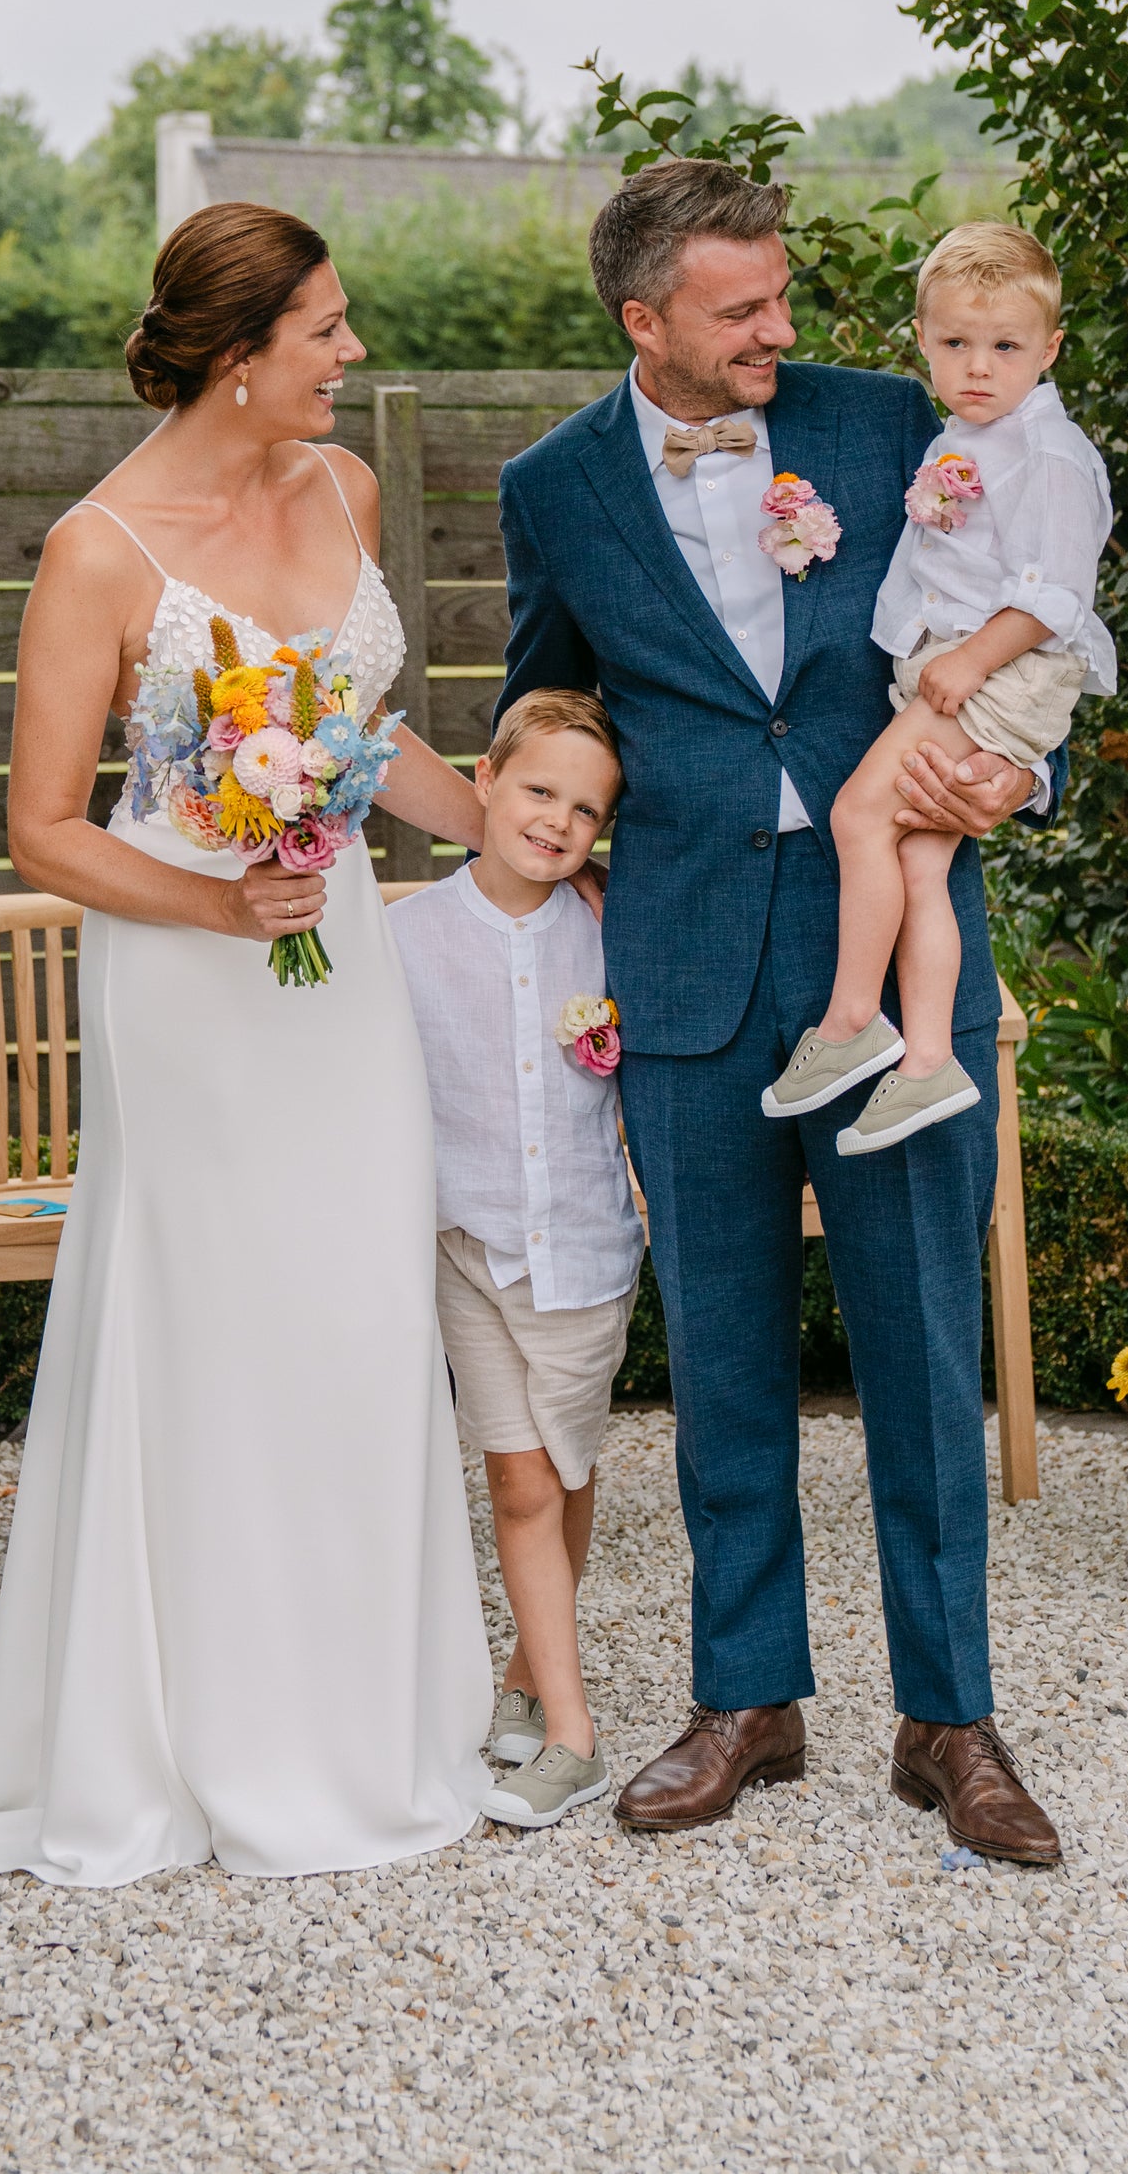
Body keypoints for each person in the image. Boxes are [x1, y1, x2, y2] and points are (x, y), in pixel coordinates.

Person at [0, 202, 493, 1883]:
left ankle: (360, 1719)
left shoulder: (344, 489)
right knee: (212, 1318)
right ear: (235, 355)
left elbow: (368, 730)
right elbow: (45, 831)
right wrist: (218, 910)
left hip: (334, 963)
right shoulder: (102, 551)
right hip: (189, 971)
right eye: (327, 331)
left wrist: (501, 824)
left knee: (355, 1305)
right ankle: (184, 1730)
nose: (353, 355)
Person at [496, 155, 1065, 1864]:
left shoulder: (902, 421)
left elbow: (1037, 597)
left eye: (785, 296)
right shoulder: (553, 484)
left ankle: (949, 1721)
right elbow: (547, 692)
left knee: (918, 1338)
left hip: (892, 955)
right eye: (741, 308)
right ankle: (748, 1697)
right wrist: (560, 847)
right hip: (677, 960)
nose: (778, 329)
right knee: (725, 1355)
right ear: (643, 317)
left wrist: (1013, 782)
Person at [766, 219, 1114, 1158]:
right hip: (965, 666)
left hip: (993, 672)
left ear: (1050, 350)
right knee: (919, 860)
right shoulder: (973, 434)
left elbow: (1055, 596)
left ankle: (849, 1021)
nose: (978, 367)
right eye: (956, 343)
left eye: (1006, 347)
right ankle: (926, 1060)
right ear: (921, 337)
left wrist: (970, 659)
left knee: (856, 819)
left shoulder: (1046, 454)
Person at [390, 688, 644, 1832]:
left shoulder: (607, 931)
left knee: (567, 1473)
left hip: (585, 1251)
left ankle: (526, 1681)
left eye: (586, 811)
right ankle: (577, 1739)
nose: (557, 822)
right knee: (519, 1480)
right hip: (466, 1241)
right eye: (539, 790)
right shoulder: (404, 937)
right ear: (481, 784)